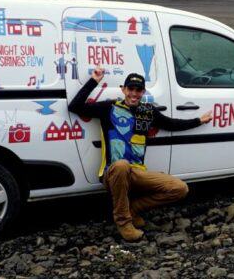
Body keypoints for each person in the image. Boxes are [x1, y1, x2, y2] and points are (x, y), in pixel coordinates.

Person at [68, 67, 212, 241]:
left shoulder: (147, 111)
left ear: (143, 92)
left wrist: (198, 120)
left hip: (138, 172)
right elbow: (75, 106)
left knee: (180, 188)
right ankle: (123, 222)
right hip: (113, 173)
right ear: (124, 89)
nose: (134, 93)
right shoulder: (108, 107)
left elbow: (171, 124)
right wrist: (94, 81)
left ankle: (133, 209)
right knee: (121, 165)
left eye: (138, 90)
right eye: (130, 89)